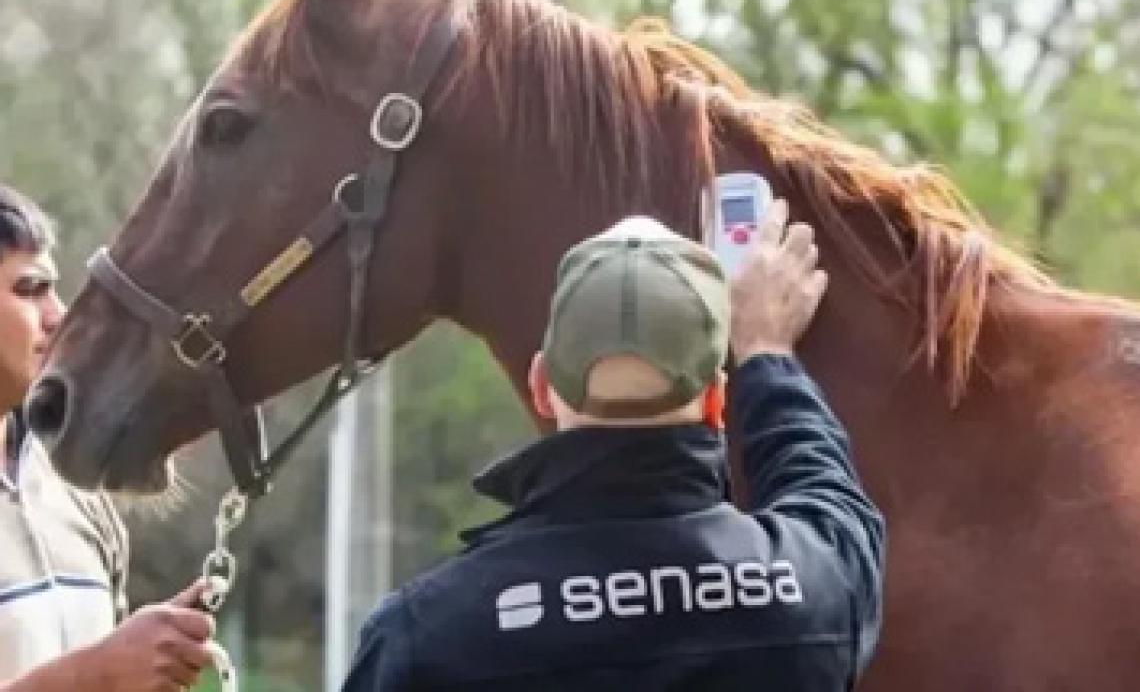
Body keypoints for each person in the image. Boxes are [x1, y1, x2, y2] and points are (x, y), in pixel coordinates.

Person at [341, 202, 885, 690]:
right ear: (718, 400)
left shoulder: (424, 637)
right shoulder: (814, 594)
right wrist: (768, 353)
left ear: (541, 389)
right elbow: (824, 488)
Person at [0, 184, 216, 692]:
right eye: (29, 290)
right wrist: (95, 675)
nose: (57, 314)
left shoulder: (71, 487)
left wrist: (152, 661)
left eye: (54, 288)